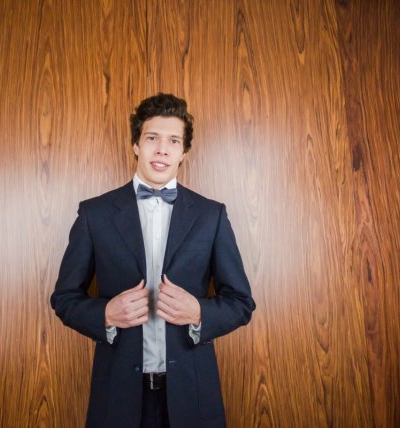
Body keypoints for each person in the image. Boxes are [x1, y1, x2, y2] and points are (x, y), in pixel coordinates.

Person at [51, 93, 255, 427]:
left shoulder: (211, 216)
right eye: (152, 138)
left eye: (173, 141)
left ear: (183, 152)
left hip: (193, 396)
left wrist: (199, 313)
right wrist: (105, 314)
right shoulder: (94, 214)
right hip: (118, 396)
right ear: (135, 145)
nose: (162, 149)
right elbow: (64, 298)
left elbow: (241, 303)